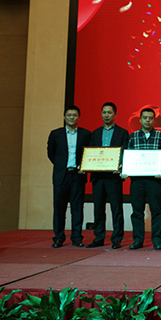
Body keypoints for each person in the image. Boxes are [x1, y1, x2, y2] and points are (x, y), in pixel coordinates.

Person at [47, 105, 91, 248]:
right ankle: (58, 238)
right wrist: (61, 165)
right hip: (62, 176)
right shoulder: (56, 134)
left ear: (79, 117)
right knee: (59, 208)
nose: (72, 117)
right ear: (64, 117)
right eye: (69, 115)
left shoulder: (85, 134)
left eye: (75, 115)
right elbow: (51, 153)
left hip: (77, 176)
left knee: (77, 208)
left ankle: (77, 237)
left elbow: (89, 153)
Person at [125, 108, 161, 250]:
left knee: (156, 210)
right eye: (145, 117)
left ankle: (157, 240)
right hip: (136, 180)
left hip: (154, 179)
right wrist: (126, 170)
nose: (148, 120)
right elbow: (128, 156)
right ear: (140, 119)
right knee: (137, 211)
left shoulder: (160, 135)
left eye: (150, 118)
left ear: (154, 120)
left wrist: (160, 169)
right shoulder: (133, 136)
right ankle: (138, 240)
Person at [87, 102, 129, 249]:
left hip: (113, 176)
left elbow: (125, 153)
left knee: (116, 208)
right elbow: (90, 153)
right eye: (104, 112)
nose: (106, 115)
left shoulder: (122, 133)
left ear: (115, 114)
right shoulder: (95, 133)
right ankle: (99, 237)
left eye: (109, 112)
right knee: (98, 209)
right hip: (98, 177)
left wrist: (121, 166)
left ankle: (116, 238)